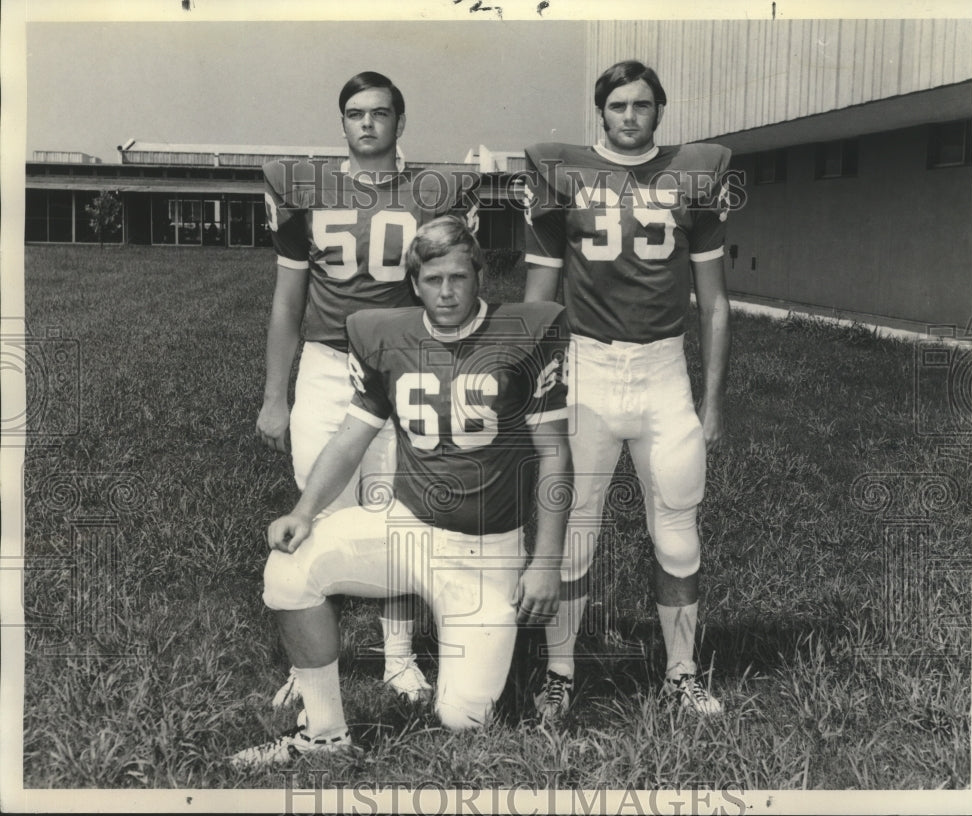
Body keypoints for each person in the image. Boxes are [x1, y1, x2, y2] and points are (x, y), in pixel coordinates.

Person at [230, 215, 572, 768]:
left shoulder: (528, 331)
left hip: (486, 550)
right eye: (433, 279)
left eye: (458, 277)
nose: (446, 291)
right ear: (415, 283)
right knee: (288, 567)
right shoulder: (383, 333)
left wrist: (547, 559)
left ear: (479, 275)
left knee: (464, 719)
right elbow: (349, 439)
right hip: (408, 528)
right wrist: (305, 510)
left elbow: (555, 451)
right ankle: (324, 734)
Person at [256, 71, 477, 705]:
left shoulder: (432, 194)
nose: (368, 124)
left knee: (398, 510)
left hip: (400, 365)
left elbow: (451, 293)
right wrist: (277, 395)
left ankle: (399, 658)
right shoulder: (310, 193)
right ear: (343, 123)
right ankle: (308, 663)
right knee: (315, 507)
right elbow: (287, 300)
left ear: (399, 124)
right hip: (327, 365)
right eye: (356, 113)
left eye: (381, 113)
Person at [522, 60, 733, 718]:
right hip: (588, 369)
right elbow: (536, 302)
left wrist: (712, 399)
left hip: (665, 371)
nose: (631, 116)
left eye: (643, 104)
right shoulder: (564, 175)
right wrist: (536, 393)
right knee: (574, 532)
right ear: (601, 111)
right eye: (618, 105)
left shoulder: (693, 176)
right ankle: (559, 673)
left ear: (659, 111)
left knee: (677, 532)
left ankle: (681, 673)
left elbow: (716, 306)